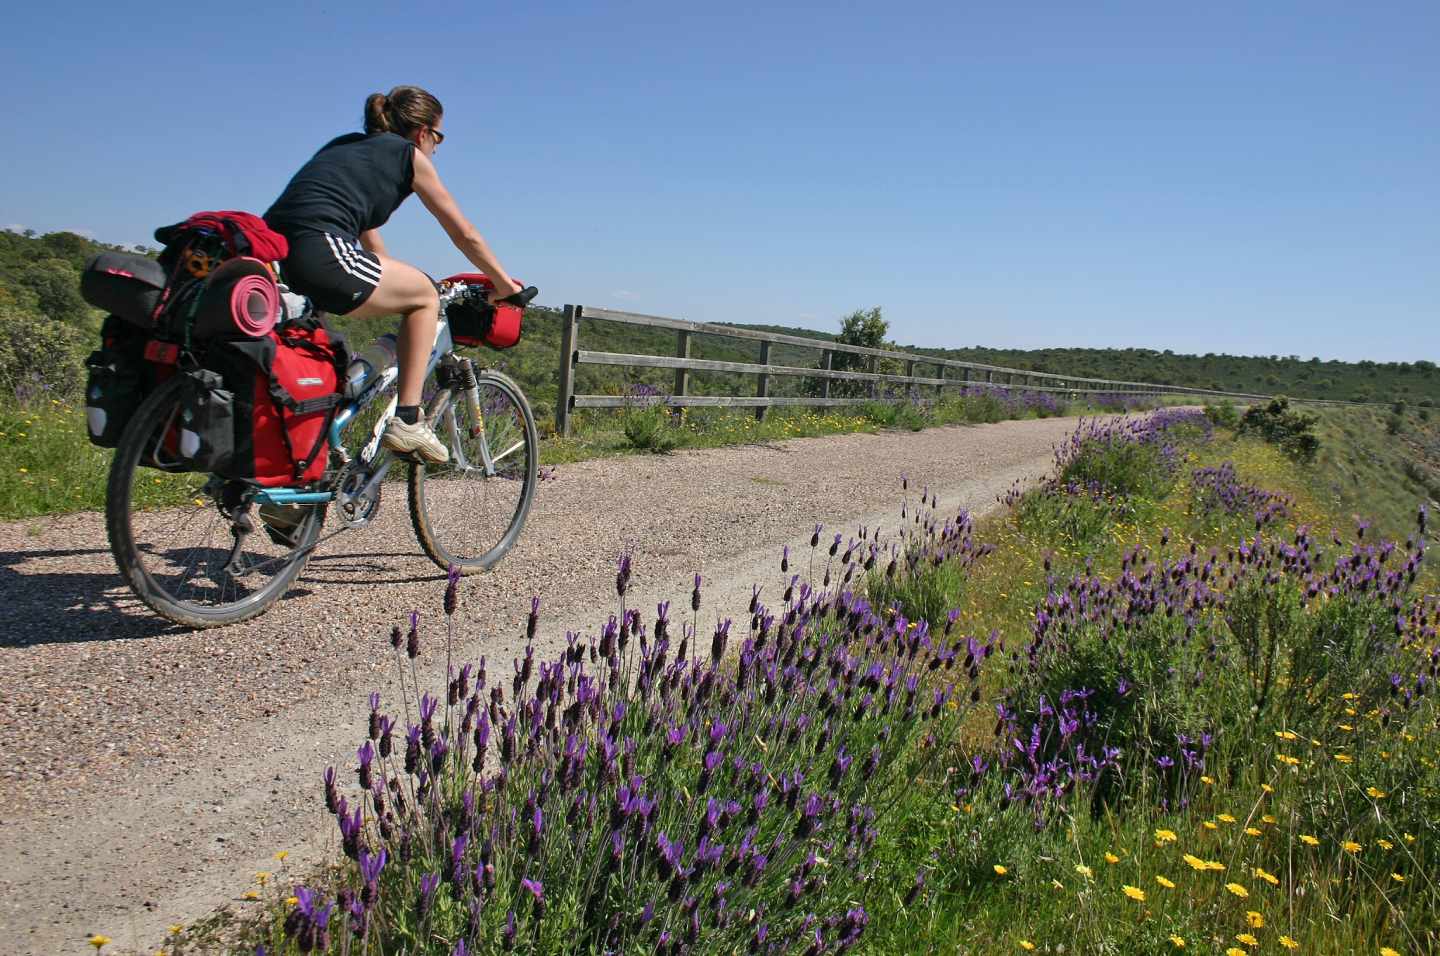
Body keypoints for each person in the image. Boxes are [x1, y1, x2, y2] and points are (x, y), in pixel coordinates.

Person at [263, 85, 521, 464]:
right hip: (319, 247)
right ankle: (409, 420)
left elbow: (366, 234)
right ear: (422, 133)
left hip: (275, 253)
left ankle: (299, 477)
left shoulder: (346, 145)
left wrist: (396, 276)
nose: (436, 147)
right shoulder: (409, 156)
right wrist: (503, 284)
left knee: (313, 365)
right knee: (425, 297)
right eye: (439, 137)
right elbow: (462, 232)